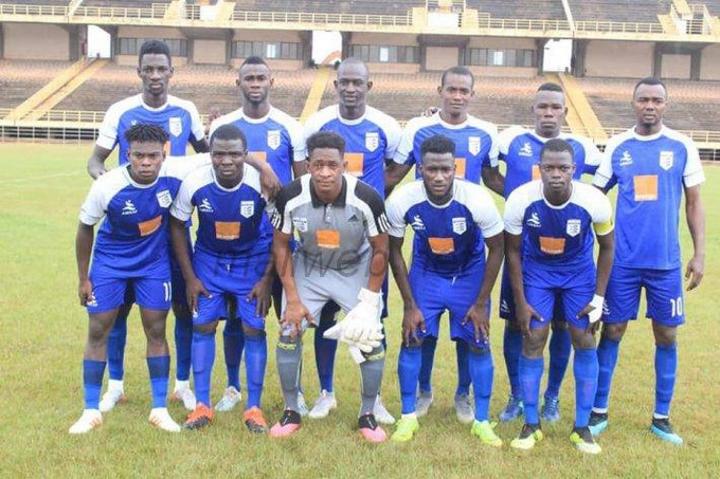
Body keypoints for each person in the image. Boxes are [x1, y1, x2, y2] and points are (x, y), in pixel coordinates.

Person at [86, 39, 209, 412]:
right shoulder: (120, 111)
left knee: (184, 308)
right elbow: (95, 161)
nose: (155, 76)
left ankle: (182, 385)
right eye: (149, 69)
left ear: (172, 72)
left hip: (173, 228)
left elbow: (207, 158)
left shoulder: (186, 110)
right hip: (130, 229)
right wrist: (111, 188)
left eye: (161, 69)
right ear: (139, 71)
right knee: (118, 310)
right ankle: (115, 386)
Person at [589, 77, 705, 445]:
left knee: (667, 334)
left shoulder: (681, 146)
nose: (650, 105)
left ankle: (661, 417)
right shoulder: (618, 146)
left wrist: (699, 253)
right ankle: (598, 410)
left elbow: (694, 203)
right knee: (612, 330)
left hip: (665, 263)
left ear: (665, 104)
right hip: (622, 262)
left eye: (656, 99)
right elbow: (595, 196)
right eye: (643, 99)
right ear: (633, 103)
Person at [70, 124, 208, 434]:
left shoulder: (176, 171)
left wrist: (264, 168)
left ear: (164, 154)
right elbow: (85, 227)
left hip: (153, 265)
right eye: (138, 156)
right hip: (111, 264)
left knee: (156, 329)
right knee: (98, 329)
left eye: (153, 156)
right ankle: (90, 410)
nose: (146, 162)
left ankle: (159, 409)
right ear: (127, 155)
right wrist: (83, 278)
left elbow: (221, 155)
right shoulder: (107, 185)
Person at [385, 65, 499, 423]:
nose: (457, 96)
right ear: (440, 90)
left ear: (472, 94)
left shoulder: (486, 133)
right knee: (420, 331)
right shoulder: (417, 130)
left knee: (472, 333)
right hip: (427, 259)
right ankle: (422, 390)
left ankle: (464, 394)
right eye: (452, 89)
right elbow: (394, 173)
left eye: (464, 90)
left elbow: (494, 177)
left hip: (469, 253)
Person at [268, 131, 390, 442]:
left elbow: (381, 250)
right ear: (308, 165)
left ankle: (368, 414)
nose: (325, 172)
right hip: (311, 267)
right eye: (318, 165)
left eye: (332, 165)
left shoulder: (367, 198)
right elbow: (281, 245)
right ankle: (291, 410)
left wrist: (369, 302)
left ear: (344, 166)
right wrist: (292, 299)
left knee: (370, 337)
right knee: (288, 330)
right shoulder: (290, 196)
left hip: (355, 267)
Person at [491, 82, 602, 423]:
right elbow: (486, 170)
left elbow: (600, 184)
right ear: (533, 109)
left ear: (565, 111)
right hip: (524, 254)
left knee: (563, 325)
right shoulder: (511, 141)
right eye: (543, 107)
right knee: (518, 324)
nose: (549, 113)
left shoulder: (582, 148)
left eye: (555, 107)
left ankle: (551, 396)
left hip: (567, 256)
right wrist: (514, 196)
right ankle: (518, 395)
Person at [302, 57, 401, 423]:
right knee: (325, 317)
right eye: (344, 82)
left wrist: (369, 196)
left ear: (368, 86)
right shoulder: (318, 123)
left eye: (357, 82)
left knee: (372, 319)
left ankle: (374, 399)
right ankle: (325, 393)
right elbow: (304, 170)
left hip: (368, 240)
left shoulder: (386, 126)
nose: (350, 88)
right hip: (325, 238)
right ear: (335, 85)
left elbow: (398, 166)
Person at [208, 56, 307, 413]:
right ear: (238, 83)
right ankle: (233, 387)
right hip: (239, 243)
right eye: (248, 77)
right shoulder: (223, 125)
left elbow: (301, 182)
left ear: (271, 82)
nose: (254, 83)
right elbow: (214, 162)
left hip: (281, 237)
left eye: (260, 77)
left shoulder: (290, 126)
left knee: (289, 315)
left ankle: (294, 392)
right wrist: (260, 163)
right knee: (236, 317)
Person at [504, 138, 614, 454]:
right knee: (533, 338)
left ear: (573, 169)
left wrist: (598, 299)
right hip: (538, 272)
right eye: (549, 167)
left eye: (563, 168)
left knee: (584, 338)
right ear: (539, 169)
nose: (556, 174)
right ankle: (531, 424)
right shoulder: (520, 199)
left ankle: (582, 428)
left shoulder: (593, 201)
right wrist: (521, 301)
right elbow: (513, 252)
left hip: (578, 274)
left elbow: (608, 248)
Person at [169, 124, 274, 432]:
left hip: (250, 260)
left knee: (254, 328)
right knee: (203, 325)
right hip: (209, 259)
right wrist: (190, 277)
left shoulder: (261, 183)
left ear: (246, 155)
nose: (226, 161)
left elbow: (282, 231)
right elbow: (177, 225)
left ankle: (254, 408)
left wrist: (266, 279)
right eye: (218, 154)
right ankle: (202, 405)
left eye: (234, 154)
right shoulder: (195, 181)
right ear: (209, 154)